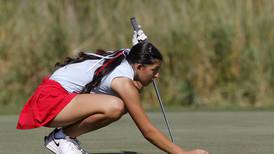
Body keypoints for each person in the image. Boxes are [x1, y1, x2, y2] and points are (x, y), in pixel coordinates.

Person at [16, 29, 209, 154]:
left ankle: (62, 137)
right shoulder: (123, 82)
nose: (157, 76)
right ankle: (61, 138)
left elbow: (133, 53)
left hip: (61, 96)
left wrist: (139, 45)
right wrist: (182, 153)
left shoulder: (128, 56)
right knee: (116, 105)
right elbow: (147, 131)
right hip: (50, 101)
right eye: (154, 70)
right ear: (140, 67)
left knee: (120, 102)